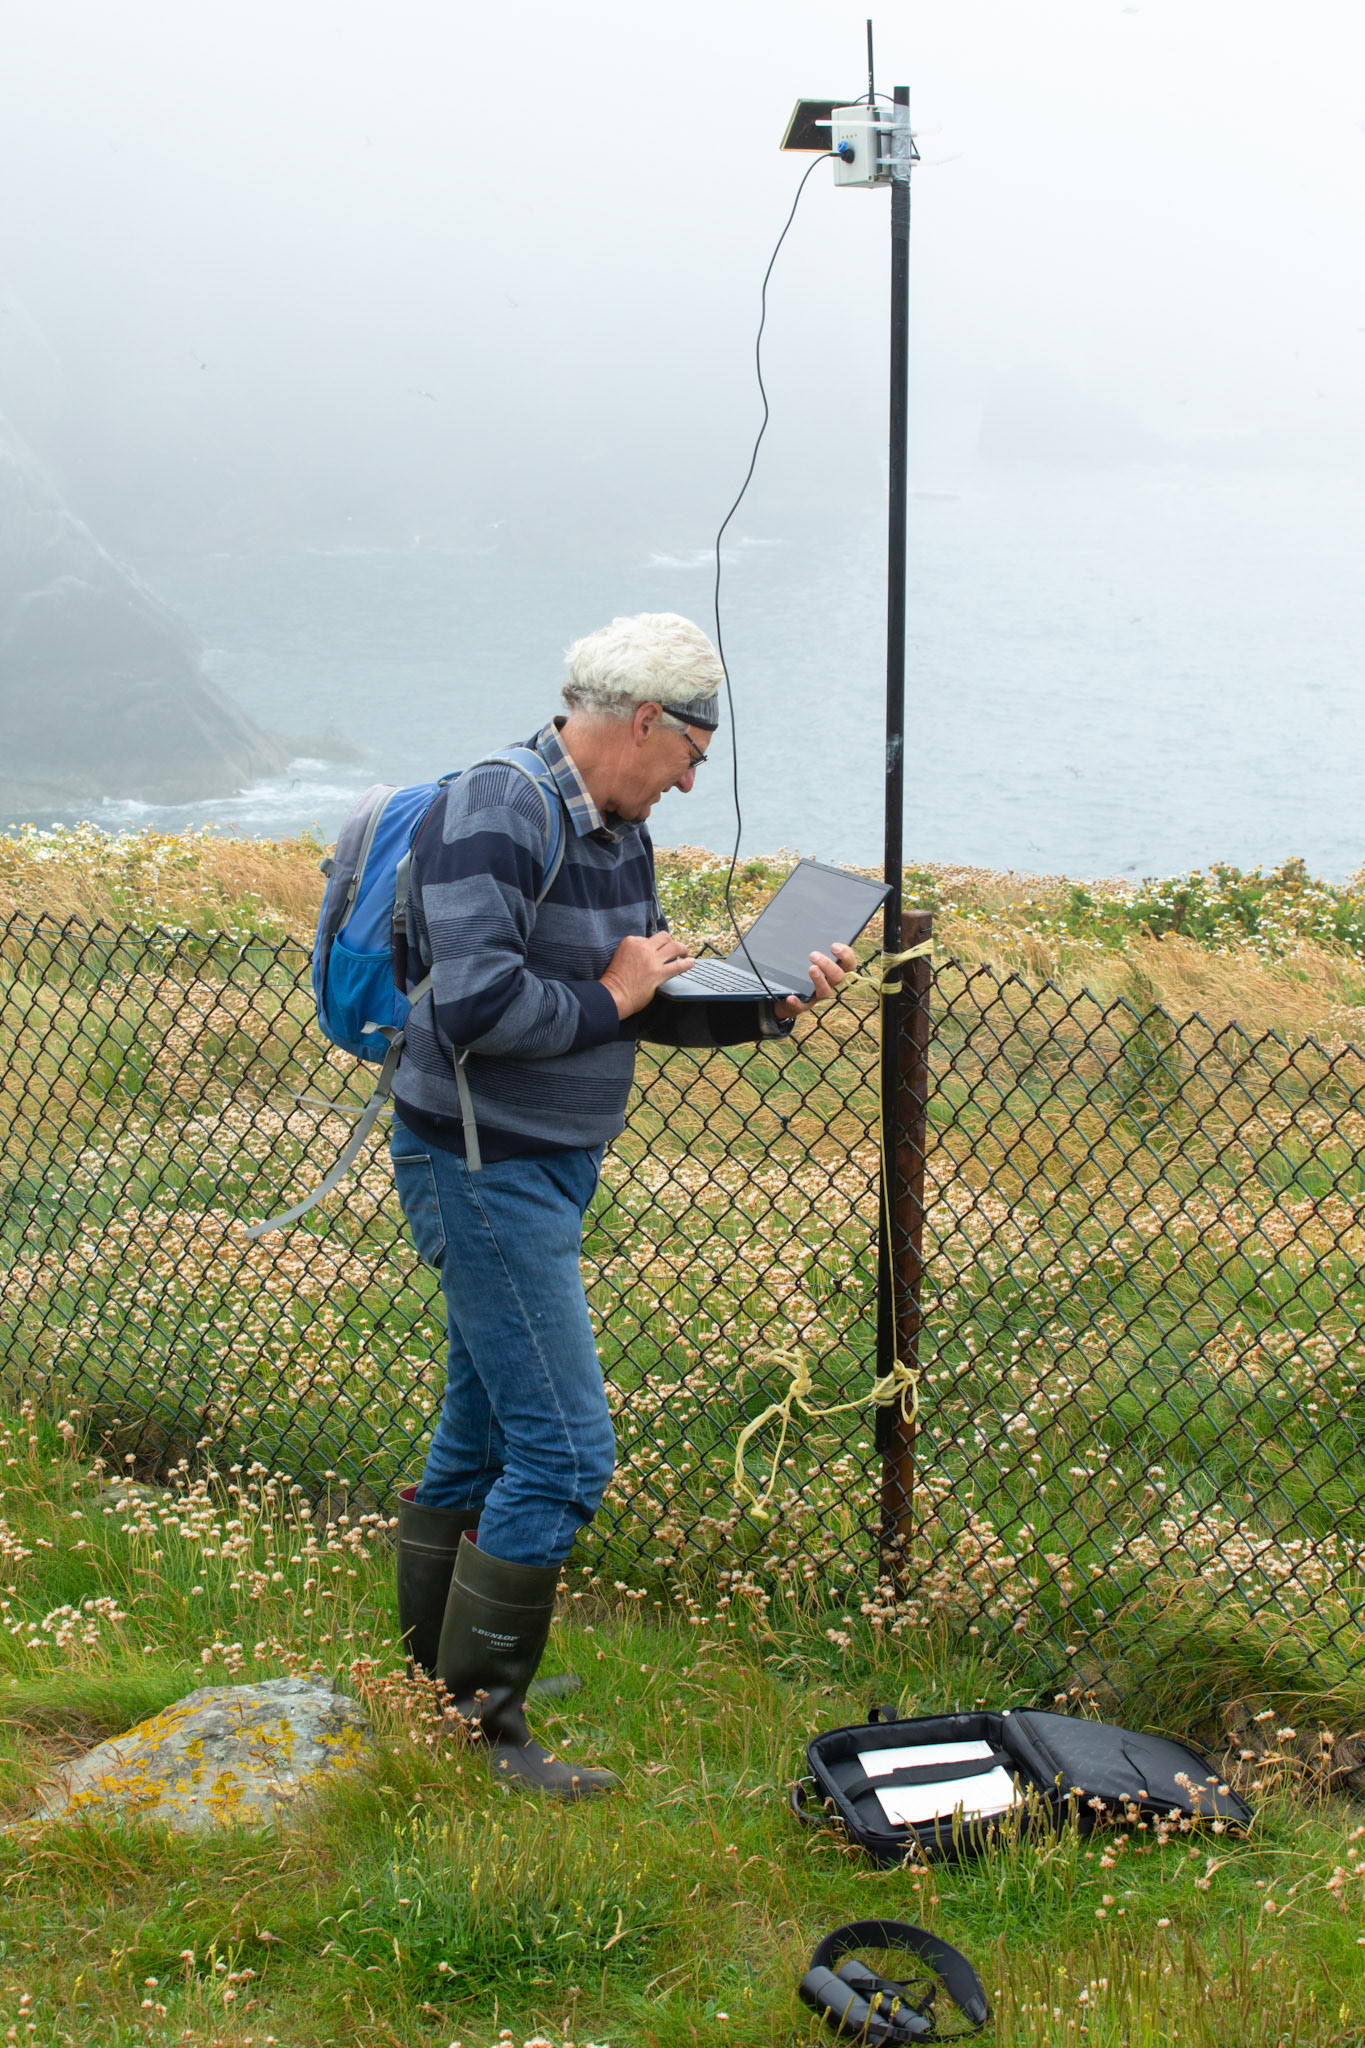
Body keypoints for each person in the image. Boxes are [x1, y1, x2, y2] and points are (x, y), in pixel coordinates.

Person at [390, 611, 854, 1796]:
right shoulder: (500, 807)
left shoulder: (615, 825)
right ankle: (488, 1730)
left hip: (543, 1162)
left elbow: (633, 996)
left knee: (486, 1426)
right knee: (564, 1448)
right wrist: (611, 987)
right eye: (692, 757)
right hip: (481, 1164)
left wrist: (767, 1001)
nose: (692, 782)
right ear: (646, 721)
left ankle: (436, 1684)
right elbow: (476, 1007)